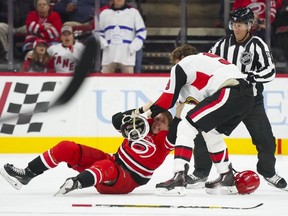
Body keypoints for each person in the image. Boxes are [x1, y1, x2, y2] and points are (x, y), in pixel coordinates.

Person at [188, 7, 287, 190]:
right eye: (234, 24)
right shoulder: (221, 45)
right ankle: (201, 171)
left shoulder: (258, 44)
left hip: (251, 102)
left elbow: (270, 71)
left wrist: (249, 77)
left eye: (240, 24)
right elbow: (207, 64)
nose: (236, 28)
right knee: (204, 131)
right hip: (225, 100)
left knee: (265, 140)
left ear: (250, 25)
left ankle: (268, 172)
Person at [0, 102, 184, 195]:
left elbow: (175, 132)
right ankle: (27, 173)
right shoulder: (145, 124)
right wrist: (144, 109)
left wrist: (178, 112)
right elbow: (116, 120)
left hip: (127, 180)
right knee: (67, 147)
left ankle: (78, 182)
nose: (158, 123)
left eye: (163, 122)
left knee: (106, 166)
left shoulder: (164, 141)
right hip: (113, 161)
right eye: (157, 119)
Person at [146, 44, 254, 195]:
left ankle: (179, 176)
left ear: (181, 59)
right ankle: (226, 175)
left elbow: (168, 99)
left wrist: (145, 112)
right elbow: (198, 101)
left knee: (186, 126)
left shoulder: (184, 64)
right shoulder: (204, 65)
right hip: (245, 96)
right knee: (211, 132)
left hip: (230, 92)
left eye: (175, 63)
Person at [97, 0, 147, 73]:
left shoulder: (133, 13)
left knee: (128, 82)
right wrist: (104, 44)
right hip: (109, 55)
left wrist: (133, 47)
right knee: (105, 82)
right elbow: (98, 32)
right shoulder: (104, 14)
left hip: (127, 55)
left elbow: (142, 31)